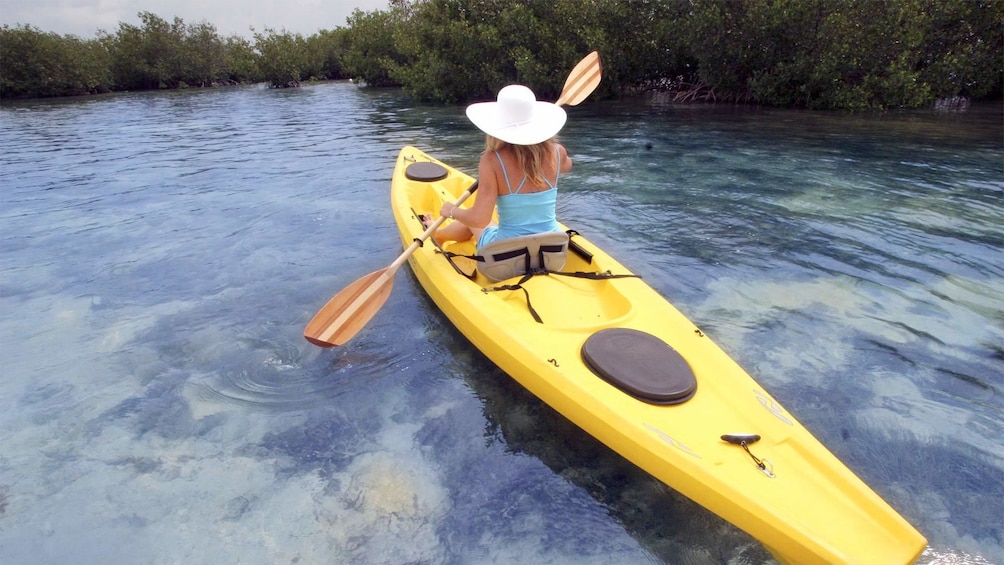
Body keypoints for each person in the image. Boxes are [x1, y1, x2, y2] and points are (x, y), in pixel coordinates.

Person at [433, 85, 572, 249]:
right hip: (553, 248)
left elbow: (479, 218)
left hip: (507, 254)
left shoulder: (491, 160)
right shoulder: (558, 152)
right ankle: (440, 234)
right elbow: (566, 167)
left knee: (472, 217)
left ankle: (438, 235)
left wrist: (452, 211)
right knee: (480, 222)